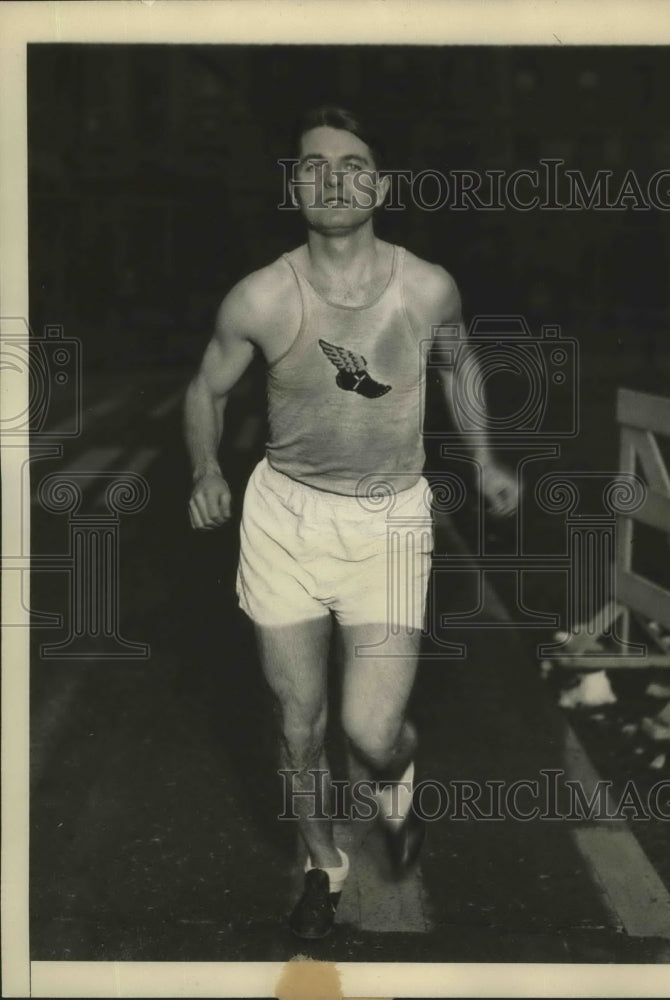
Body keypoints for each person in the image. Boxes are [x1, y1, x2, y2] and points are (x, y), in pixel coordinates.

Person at [184, 105, 518, 939]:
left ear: (383, 185)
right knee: (297, 723)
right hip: (285, 520)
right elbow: (206, 391)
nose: (333, 178)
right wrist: (203, 468)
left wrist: (483, 460)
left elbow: (459, 363)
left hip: (388, 520)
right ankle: (322, 867)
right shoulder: (260, 295)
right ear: (292, 185)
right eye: (313, 165)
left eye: (352, 164)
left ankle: (395, 791)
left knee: (371, 733)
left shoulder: (425, 285)